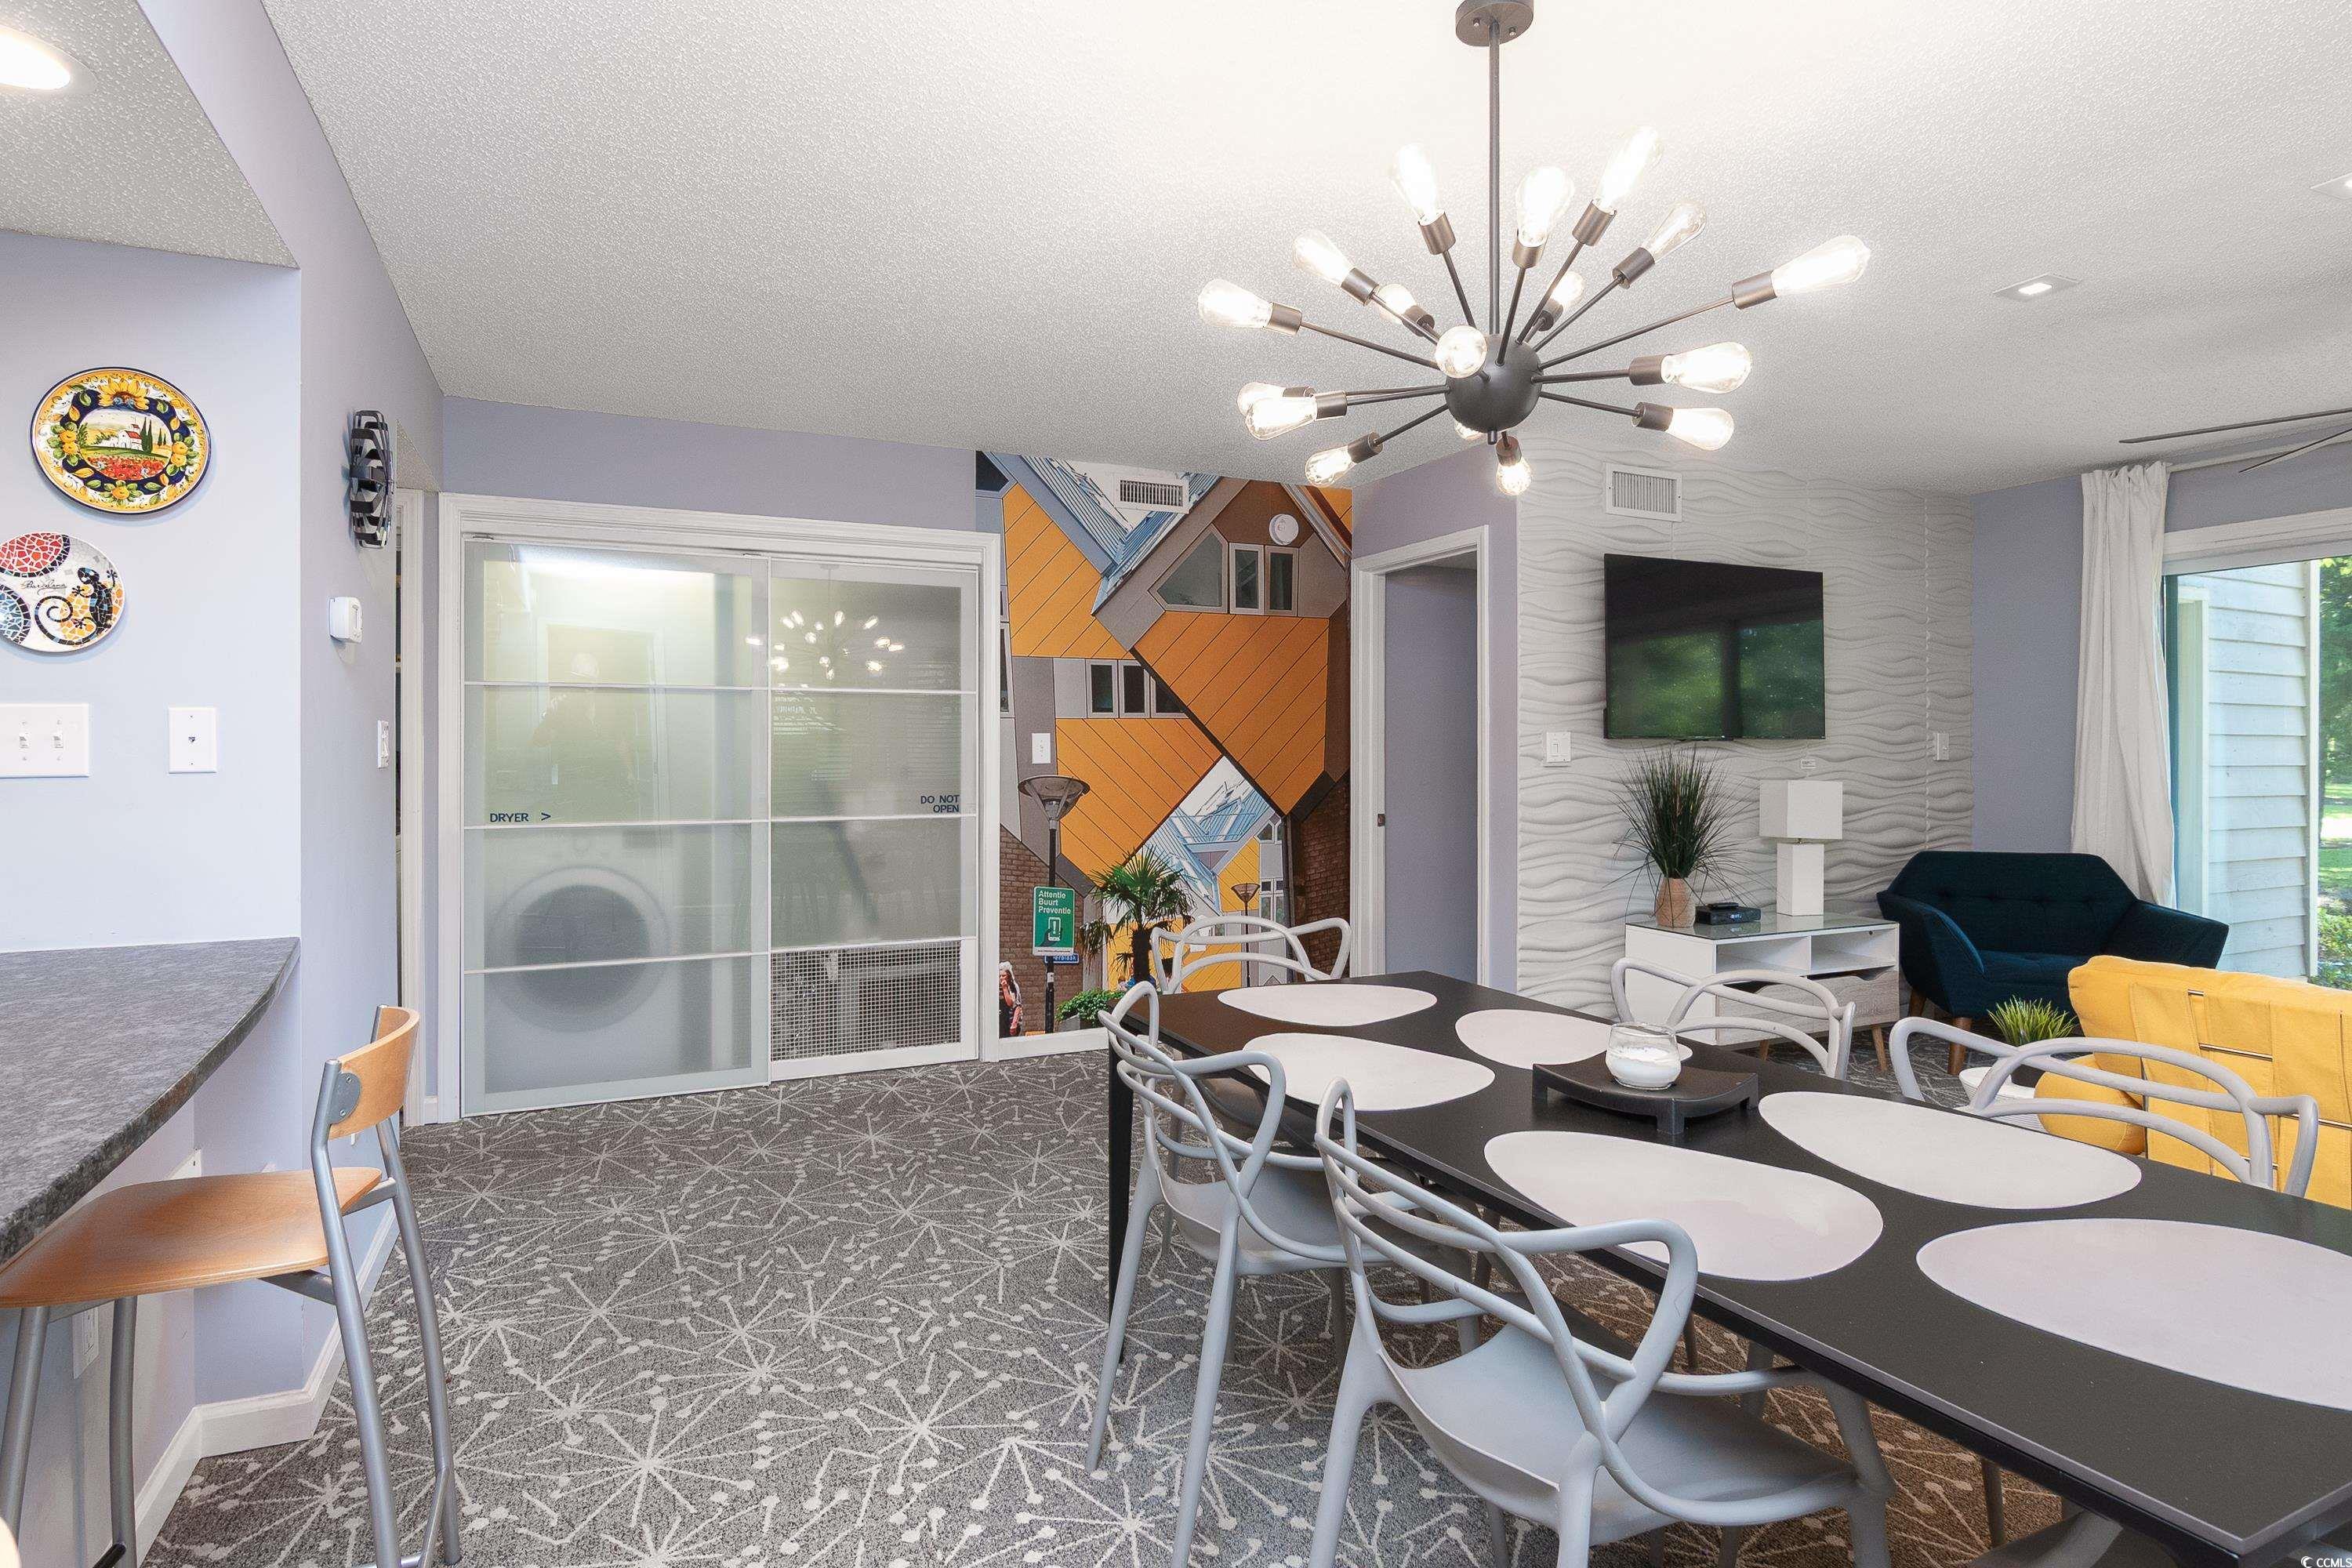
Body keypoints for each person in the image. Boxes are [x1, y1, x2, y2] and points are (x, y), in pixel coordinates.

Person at [997, 962, 1025, 1037]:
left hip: (1010, 1020)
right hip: (1001, 1021)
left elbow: (1012, 1004)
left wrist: (1005, 988)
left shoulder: (1012, 987)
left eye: (1003, 976)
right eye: (1000, 976)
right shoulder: (996, 986)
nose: (1001, 978)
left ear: (1009, 976)